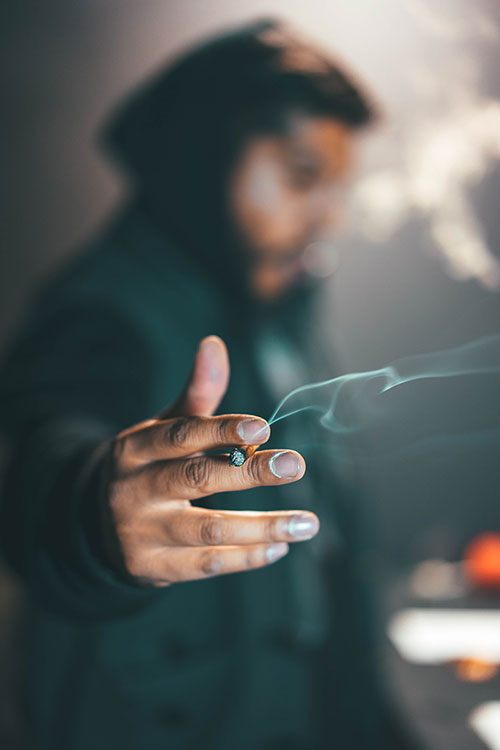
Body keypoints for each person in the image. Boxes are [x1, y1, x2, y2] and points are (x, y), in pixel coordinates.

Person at [0, 18, 411, 750]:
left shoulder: (275, 310)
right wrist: (96, 511)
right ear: (202, 158)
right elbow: (46, 453)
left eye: (338, 188)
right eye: (301, 175)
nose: (328, 218)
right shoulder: (99, 314)